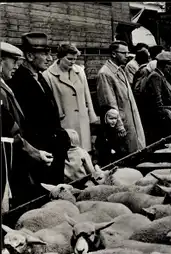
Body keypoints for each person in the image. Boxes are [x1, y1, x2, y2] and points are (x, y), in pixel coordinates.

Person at [7, 32, 70, 189]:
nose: (50, 58)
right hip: (39, 155)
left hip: (52, 151)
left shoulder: (39, 76)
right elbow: (25, 122)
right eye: (44, 54)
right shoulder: (18, 81)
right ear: (29, 56)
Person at [1, 41, 54, 209]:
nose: (17, 66)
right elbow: (9, 131)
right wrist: (35, 153)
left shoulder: (4, 87)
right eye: (13, 61)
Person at [43, 43, 98, 152]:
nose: (73, 62)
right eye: (69, 59)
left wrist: (91, 114)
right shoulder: (48, 75)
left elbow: (87, 94)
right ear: (59, 57)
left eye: (75, 59)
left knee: (85, 151)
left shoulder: (80, 71)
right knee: (70, 152)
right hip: (65, 121)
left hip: (82, 119)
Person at [96, 40, 146, 154]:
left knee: (135, 151)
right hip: (122, 125)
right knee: (125, 154)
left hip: (130, 120)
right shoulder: (105, 73)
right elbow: (109, 103)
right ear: (114, 54)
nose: (127, 56)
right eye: (124, 53)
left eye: (128, 53)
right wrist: (119, 125)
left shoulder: (120, 69)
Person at [141, 51, 171, 144]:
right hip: (159, 117)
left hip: (165, 113)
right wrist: (164, 114)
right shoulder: (155, 76)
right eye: (170, 64)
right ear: (165, 65)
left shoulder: (160, 75)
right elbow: (157, 98)